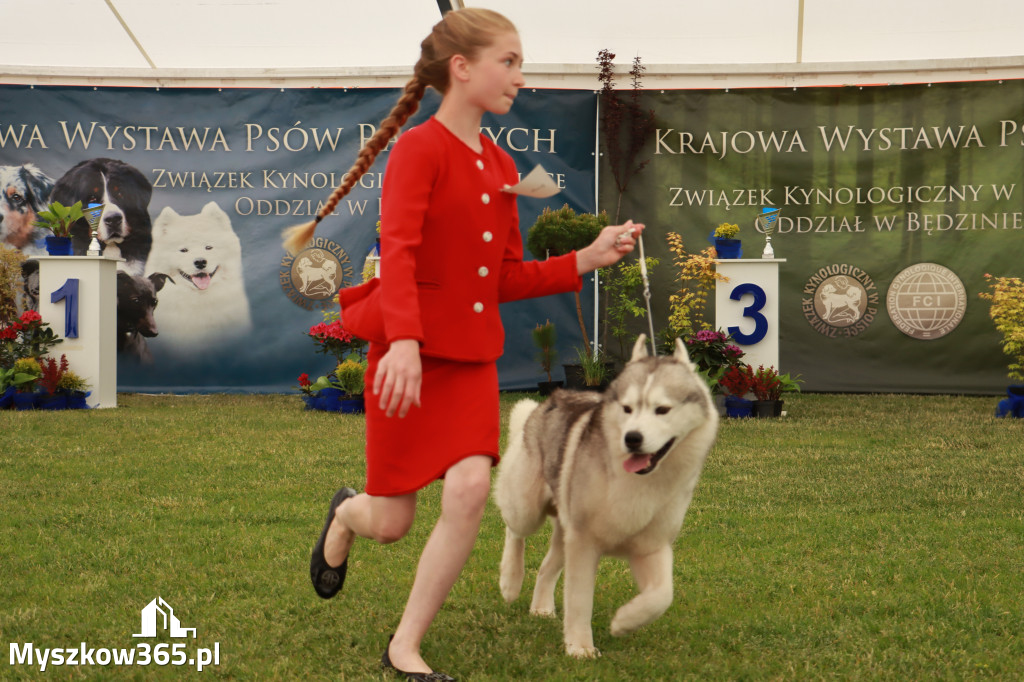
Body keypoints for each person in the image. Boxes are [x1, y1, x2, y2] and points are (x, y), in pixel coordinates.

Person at [301, 8, 644, 680]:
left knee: (465, 492)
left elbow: (505, 277)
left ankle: (405, 646)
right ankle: (345, 512)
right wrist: (401, 340)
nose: (520, 75)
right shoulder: (418, 150)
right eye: (508, 61)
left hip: (468, 363)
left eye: (520, 63)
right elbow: (395, 253)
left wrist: (584, 257)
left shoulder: (499, 161)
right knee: (392, 522)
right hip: (408, 357)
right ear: (462, 68)